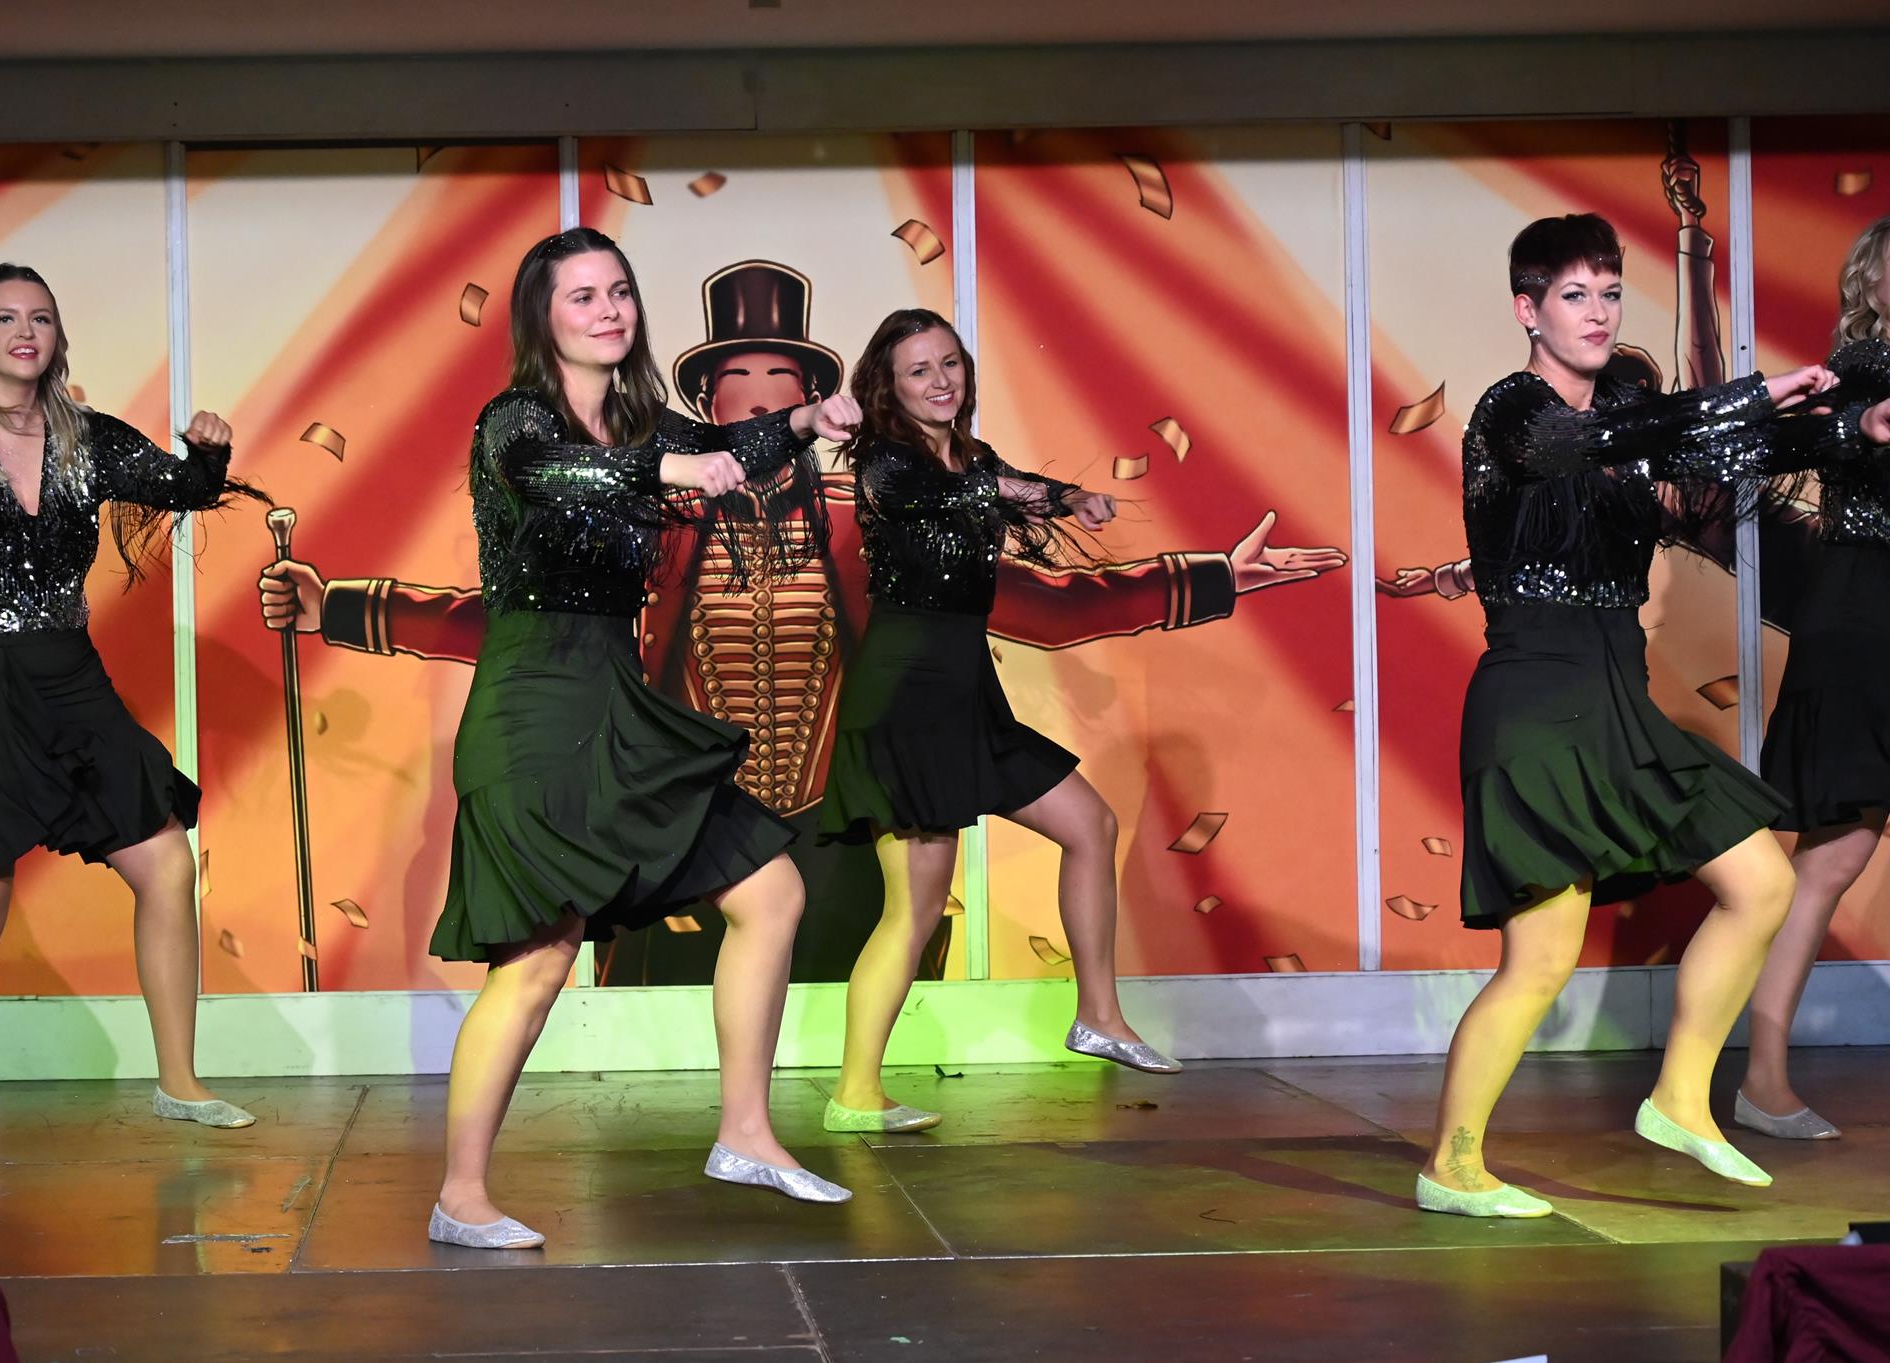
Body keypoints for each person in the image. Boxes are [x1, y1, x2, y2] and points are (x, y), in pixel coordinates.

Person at [258, 259, 1339, 987]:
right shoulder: (657, 504)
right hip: (684, 805)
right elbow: (512, 612)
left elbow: (1043, 605)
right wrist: (337, 606)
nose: (756, 401)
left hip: (830, 815)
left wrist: (1210, 578)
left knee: (851, 961)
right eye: (736, 385)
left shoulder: (864, 513)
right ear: (708, 406)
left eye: (781, 387)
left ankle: (806, 1121)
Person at [1417, 215, 1889, 1218]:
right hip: (1537, 706)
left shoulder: (1632, 413)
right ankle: (1451, 1164)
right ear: (1528, 310)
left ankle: (1679, 1098)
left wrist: (1849, 429)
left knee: (1760, 880)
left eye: (1608, 293)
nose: (1595, 312)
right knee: (1539, 960)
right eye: (1573, 295)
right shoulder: (1513, 409)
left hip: (1616, 700)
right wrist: (1745, 393)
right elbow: (1592, 440)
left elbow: (1721, 440)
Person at [424, 228, 863, 1250]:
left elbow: (728, 447)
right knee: (538, 959)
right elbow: (551, 472)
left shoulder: (643, 421)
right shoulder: (516, 418)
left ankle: (745, 1132)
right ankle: (460, 1194)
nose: (608, 309)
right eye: (582, 296)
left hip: (619, 701)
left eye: (618, 290)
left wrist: (806, 418)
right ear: (542, 318)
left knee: (771, 892)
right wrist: (672, 462)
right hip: (534, 706)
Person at [813, 307, 1344, 1132]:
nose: (941, 381)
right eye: (920, 370)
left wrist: (1111, 520)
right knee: (912, 911)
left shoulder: (972, 455)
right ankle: (855, 1093)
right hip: (906, 703)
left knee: (1089, 825)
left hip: (965, 696)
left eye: (950, 363)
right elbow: (970, 493)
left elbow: (1019, 524)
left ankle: (1097, 1014)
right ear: (888, 386)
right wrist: (1060, 496)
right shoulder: (887, 462)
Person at [0, 263, 264, 1163]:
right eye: (5, 318)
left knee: (166, 860)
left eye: (39, 318)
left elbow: (185, 490)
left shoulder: (88, 438)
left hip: (64, 674)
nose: (24, 332)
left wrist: (209, 454)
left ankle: (179, 1081)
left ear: (57, 336)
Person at [1749, 216, 1890, 1140]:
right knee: (1830, 859)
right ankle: (1760, 1075)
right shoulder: (1864, 374)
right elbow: (1811, 437)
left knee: (1832, 860)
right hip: (1864, 617)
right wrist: (1857, 425)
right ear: (1871, 286)